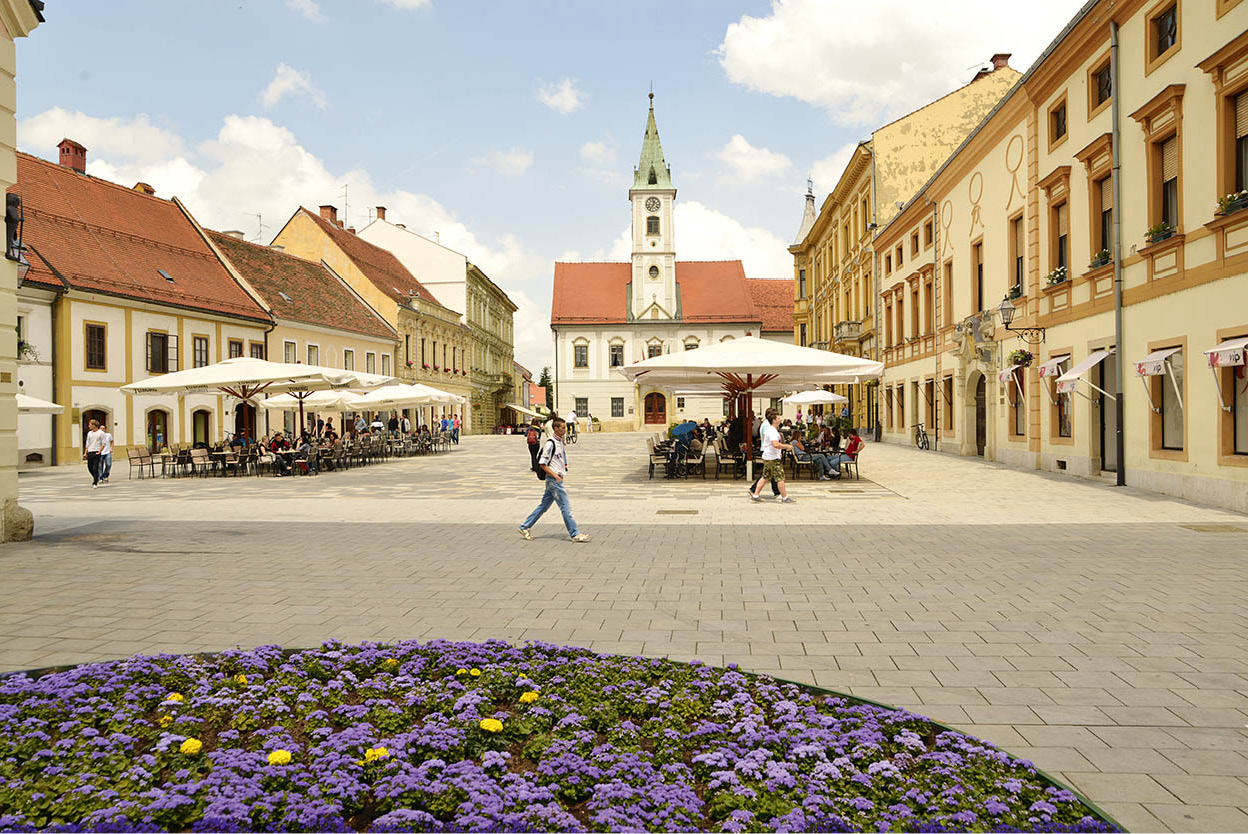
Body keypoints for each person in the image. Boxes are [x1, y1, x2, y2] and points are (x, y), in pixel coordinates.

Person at [519, 416, 590, 543]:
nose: (565, 430)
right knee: (566, 507)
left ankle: (525, 526)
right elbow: (542, 463)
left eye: (565, 428)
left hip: (556, 478)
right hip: (554, 480)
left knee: (543, 506)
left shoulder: (559, 442)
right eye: (563, 428)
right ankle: (575, 533)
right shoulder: (550, 444)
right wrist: (555, 475)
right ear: (555, 429)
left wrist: (564, 466)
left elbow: (559, 458)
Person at [749, 408, 793, 503]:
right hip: (773, 458)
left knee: (765, 476)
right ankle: (784, 497)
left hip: (768, 456)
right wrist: (786, 446)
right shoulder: (772, 431)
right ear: (774, 420)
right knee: (780, 477)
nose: (780, 419)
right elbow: (775, 444)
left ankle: (756, 494)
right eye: (778, 418)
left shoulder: (769, 429)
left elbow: (767, 441)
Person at [83, 419, 107, 488]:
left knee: (95, 467)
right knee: (89, 467)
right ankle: (96, 477)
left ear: (94, 425)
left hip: (96, 452)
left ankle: (95, 482)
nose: (89, 426)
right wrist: (85, 453)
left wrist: (99, 451)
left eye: (90, 424)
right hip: (90, 452)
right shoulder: (89, 433)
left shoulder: (101, 433)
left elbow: (103, 443)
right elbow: (87, 443)